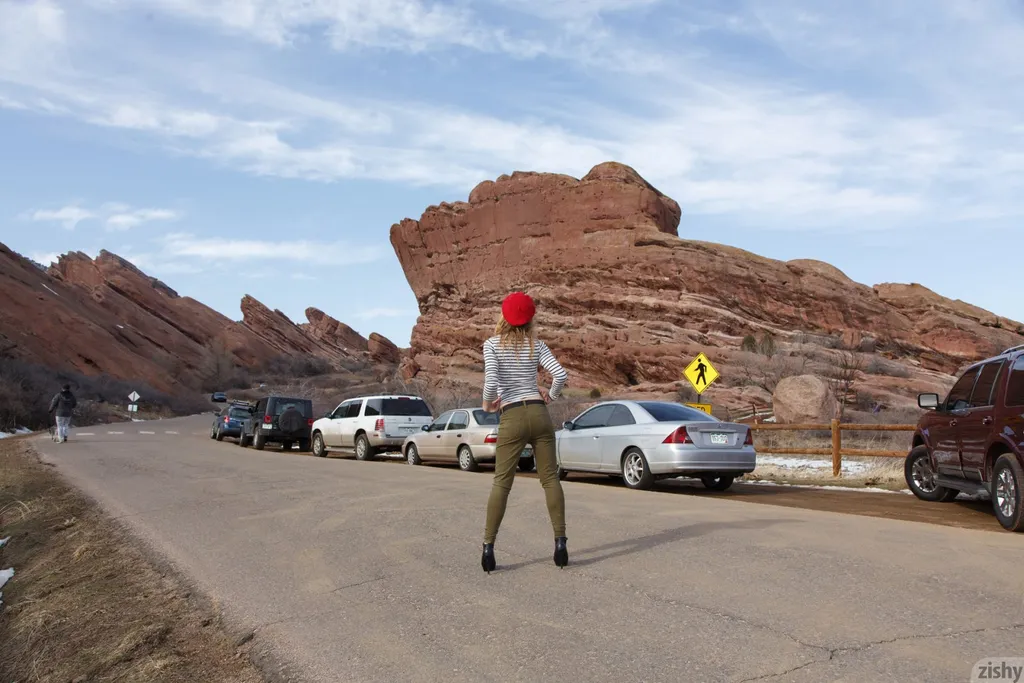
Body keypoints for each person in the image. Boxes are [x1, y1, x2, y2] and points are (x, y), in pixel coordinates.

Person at [480, 291, 569, 573]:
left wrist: (487, 406)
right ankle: (560, 544)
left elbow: (492, 382)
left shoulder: (492, 345)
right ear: (530, 319)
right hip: (539, 413)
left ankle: (488, 549)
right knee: (550, 480)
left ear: (503, 317)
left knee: (502, 483)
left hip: (512, 415)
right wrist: (551, 396)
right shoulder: (537, 345)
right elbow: (561, 375)